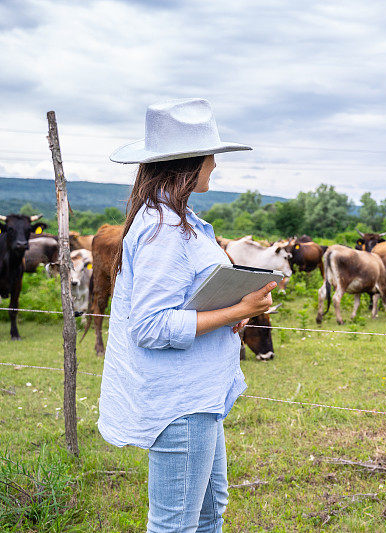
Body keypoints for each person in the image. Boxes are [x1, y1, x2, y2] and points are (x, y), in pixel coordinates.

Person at [98, 98, 274, 532]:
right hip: (181, 403)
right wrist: (240, 306)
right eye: (210, 154)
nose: (215, 163)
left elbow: (179, 299)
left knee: (209, 511)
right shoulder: (165, 231)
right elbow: (150, 326)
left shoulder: (178, 220)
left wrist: (225, 312)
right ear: (188, 163)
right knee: (176, 524)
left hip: (199, 395)